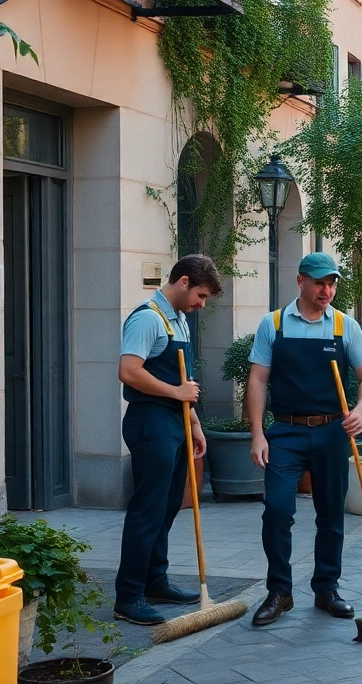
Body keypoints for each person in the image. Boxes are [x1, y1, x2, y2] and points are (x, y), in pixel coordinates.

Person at [245, 253, 362, 626]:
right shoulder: (273, 325)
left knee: (331, 513)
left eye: (332, 283)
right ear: (301, 281)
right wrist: (257, 434)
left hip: (332, 431)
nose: (327, 290)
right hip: (285, 432)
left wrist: (361, 410)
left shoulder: (343, 326)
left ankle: (326, 588)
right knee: (277, 511)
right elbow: (257, 379)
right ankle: (279, 592)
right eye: (320, 282)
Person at [113, 254, 220, 625]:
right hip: (151, 422)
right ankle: (128, 596)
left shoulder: (179, 321)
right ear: (185, 281)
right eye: (201, 295)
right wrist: (176, 395)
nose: (201, 304)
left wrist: (194, 423)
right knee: (148, 508)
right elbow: (128, 371)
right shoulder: (147, 319)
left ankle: (155, 581)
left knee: (169, 505)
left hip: (174, 423)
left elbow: (184, 385)